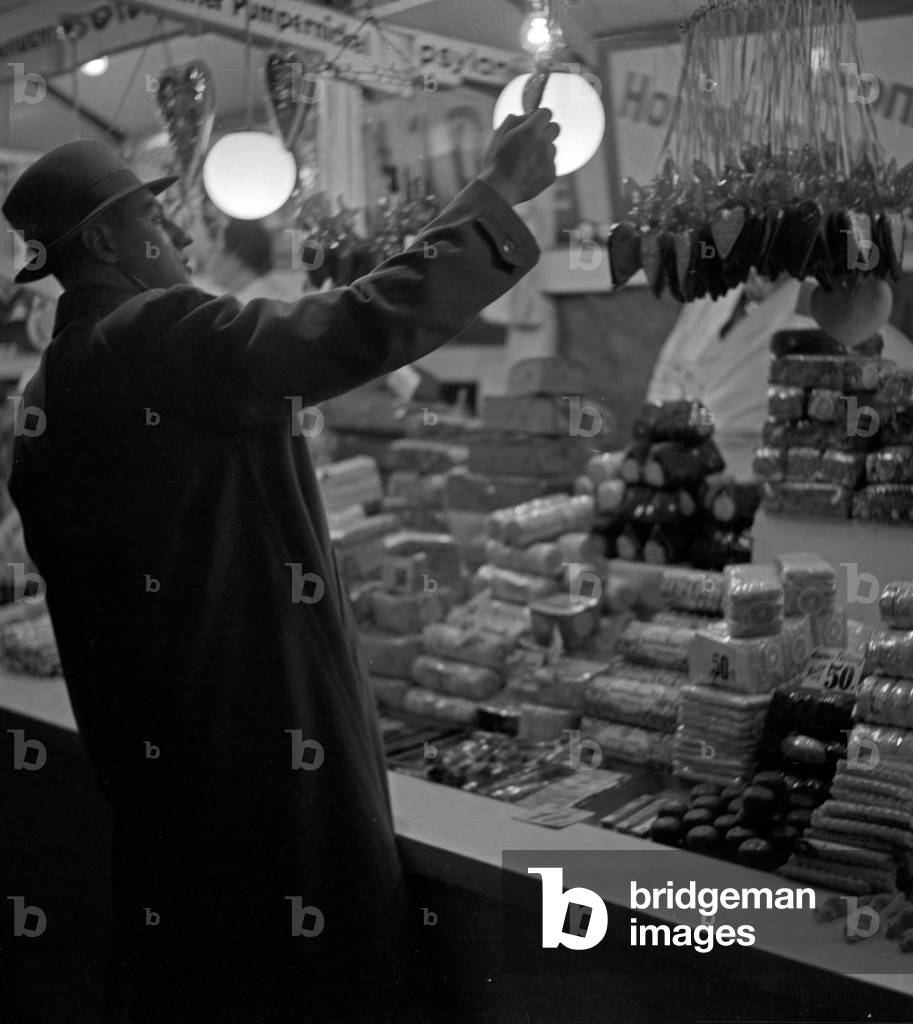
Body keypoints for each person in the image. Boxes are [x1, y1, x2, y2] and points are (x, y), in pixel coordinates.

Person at [2, 109, 558, 1023]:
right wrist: (493, 201)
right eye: (154, 221)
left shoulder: (50, 389)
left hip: (161, 770)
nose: (180, 235)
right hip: (258, 764)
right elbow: (355, 325)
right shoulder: (151, 335)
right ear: (102, 241)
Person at [646, 271, 913, 476]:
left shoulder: (829, 303)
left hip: (757, 506)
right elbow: (660, 390)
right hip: (667, 491)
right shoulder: (712, 292)